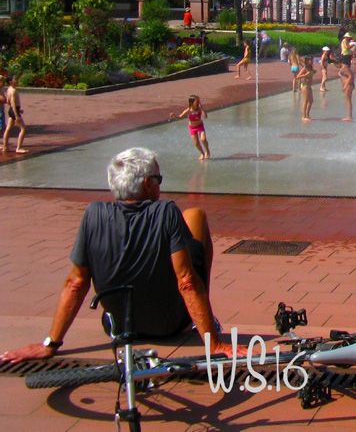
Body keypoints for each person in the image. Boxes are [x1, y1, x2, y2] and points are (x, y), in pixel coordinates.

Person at [0, 147, 228, 364]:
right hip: (171, 325)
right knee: (195, 216)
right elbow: (187, 282)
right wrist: (215, 344)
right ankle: (202, 321)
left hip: (119, 327)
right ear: (148, 184)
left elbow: (75, 283)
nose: (160, 186)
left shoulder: (93, 215)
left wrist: (50, 343)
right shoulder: (165, 211)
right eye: (159, 180)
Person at [172, 95, 210, 161]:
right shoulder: (188, 110)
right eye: (197, 101)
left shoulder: (199, 109)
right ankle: (202, 153)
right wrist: (174, 116)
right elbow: (179, 117)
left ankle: (207, 151)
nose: (199, 102)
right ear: (192, 103)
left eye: (199, 101)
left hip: (200, 126)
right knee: (196, 143)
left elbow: (205, 117)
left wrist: (202, 108)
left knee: (203, 139)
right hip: (192, 128)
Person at [1, 75, 28, 154]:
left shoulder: (9, 90)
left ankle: (5, 147)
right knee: (23, 129)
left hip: (12, 110)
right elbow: (12, 103)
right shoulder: (13, 91)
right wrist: (16, 115)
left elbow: (8, 101)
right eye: (15, 79)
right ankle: (18, 148)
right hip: (14, 111)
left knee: (8, 129)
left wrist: (18, 109)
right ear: (10, 82)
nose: (17, 80)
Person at [298, 57, 314, 121]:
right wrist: (305, 75)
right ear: (307, 61)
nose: (312, 61)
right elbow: (298, 76)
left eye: (312, 60)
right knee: (305, 101)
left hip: (309, 86)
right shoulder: (304, 68)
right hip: (305, 86)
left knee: (311, 101)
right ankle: (303, 116)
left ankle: (307, 114)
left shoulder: (310, 68)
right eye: (311, 60)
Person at [338, 56, 354, 122]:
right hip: (348, 86)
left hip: (348, 86)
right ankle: (349, 115)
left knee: (348, 101)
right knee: (348, 100)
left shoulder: (345, 68)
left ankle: (349, 116)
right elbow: (346, 76)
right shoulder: (344, 68)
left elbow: (350, 76)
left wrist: (345, 85)